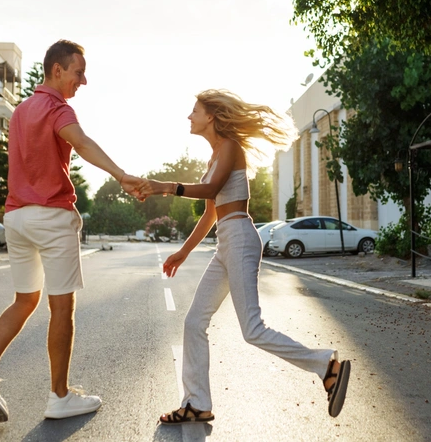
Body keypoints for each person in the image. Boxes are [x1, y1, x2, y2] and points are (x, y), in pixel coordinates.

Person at [140, 89, 351, 424]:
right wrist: (182, 252)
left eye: (194, 110)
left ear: (210, 116)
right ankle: (196, 403)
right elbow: (210, 212)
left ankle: (327, 365)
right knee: (194, 322)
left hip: (239, 237)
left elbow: (209, 191)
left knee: (252, 329)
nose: (189, 116)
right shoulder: (214, 157)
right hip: (227, 241)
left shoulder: (229, 148)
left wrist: (164, 186)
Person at [0, 39, 144, 422]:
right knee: (62, 306)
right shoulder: (57, 108)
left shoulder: (21, 111)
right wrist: (121, 175)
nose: (84, 80)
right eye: (78, 72)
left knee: (25, 299)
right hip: (51, 217)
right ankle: (59, 397)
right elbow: (82, 142)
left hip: (16, 218)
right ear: (56, 70)